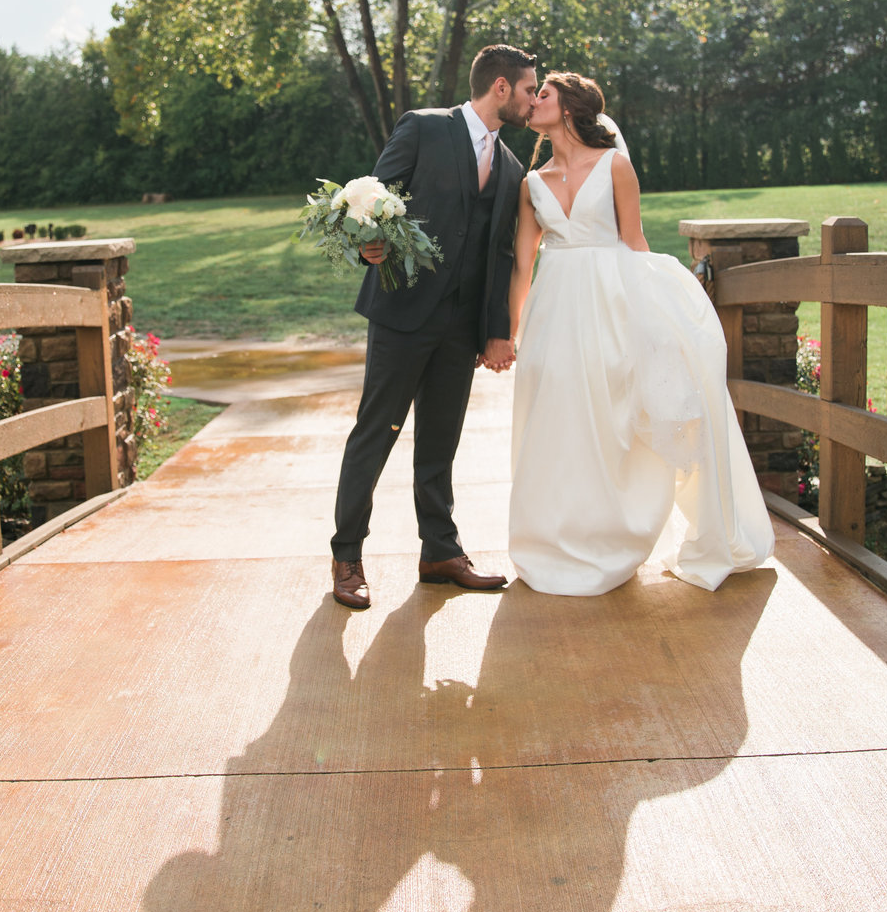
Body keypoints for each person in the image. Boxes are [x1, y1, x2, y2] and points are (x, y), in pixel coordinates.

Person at [507, 71, 774, 595]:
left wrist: (661, 322)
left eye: (544, 95)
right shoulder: (530, 184)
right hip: (554, 310)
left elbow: (635, 244)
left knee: (612, 422)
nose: (533, 101)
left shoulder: (616, 167)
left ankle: (609, 536)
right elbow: (522, 264)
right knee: (554, 420)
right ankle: (548, 539)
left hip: (611, 306)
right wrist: (509, 333)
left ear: (567, 110)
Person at [330, 45, 539, 610]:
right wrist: (367, 245)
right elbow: (371, 202)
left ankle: (440, 552)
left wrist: (495, 330)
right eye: (527, 90)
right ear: (500, 87)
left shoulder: (514, 167)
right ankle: (347, 556)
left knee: (440, 443)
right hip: (402, 313)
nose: (531, 100)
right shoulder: (423, 127)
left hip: (460, 328)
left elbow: (499, 255)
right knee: (376, 433)